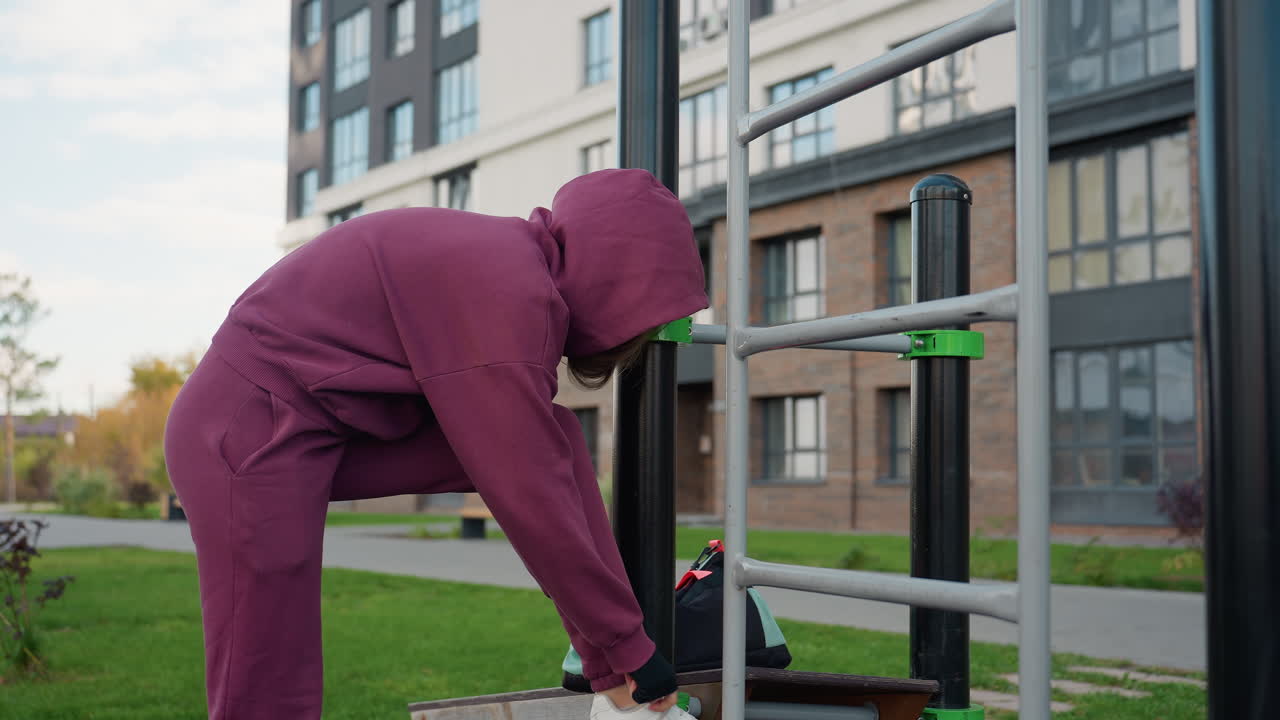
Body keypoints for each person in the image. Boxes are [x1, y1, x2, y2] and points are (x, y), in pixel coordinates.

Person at [164, 168, 709, 720]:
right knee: (268, 684)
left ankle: (617, 688)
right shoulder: (508, 288)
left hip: (320, 430)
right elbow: (529, 496)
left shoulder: (513, 268)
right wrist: (631, 647)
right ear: (618, 279)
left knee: (560, 438)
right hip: (244, 431)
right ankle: (621, 670)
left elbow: (539, 466)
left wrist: (615, 657)